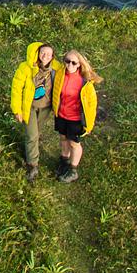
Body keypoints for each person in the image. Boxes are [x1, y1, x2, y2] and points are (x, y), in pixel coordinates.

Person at [9, 41, 58, 181]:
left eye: (49, 54)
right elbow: (16, 89)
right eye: (43, 52)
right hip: (29, 107)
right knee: (32, 135)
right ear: (37, 53)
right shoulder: (25, 68)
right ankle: (32, 165)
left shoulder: (56, 68)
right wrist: (17, 109)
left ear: (53, 56)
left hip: (45, 108)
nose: (45, 56)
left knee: (35, 133)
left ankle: (32, 148)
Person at [53, 50, 101, 182]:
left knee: (74, 144)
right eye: (67, 61)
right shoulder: (60, 74)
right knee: (63, 139)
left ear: (79, 64)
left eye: (74, 62)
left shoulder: (85, 82)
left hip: (75, 119)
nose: (70, 65)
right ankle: (64, 162)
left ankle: (73, 170)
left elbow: (92, 104)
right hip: (61, 115)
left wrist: (89, 124)